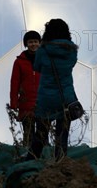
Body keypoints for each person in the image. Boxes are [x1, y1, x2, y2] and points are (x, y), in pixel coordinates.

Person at [26, 19, 78, 161]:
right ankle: (60, 162)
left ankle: (31, 161)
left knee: (41, 133)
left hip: (46, 98)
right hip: (66, 96)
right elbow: (71, 65)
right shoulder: (72, 50)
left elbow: (36, 67)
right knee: (62, 135)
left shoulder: (43, 50)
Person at [9, 30, 42, 147]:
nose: (33, 44)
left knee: (43, 133)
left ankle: (45, 160)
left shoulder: (45, 60)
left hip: (42, 102)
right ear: (26, 44)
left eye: (36, 41)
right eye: (30, 42)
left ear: (40, 43)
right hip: (26, 103)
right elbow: (14, 83)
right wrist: (14, 103)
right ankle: (28, 158)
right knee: (28, 134)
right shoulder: (19, 62)